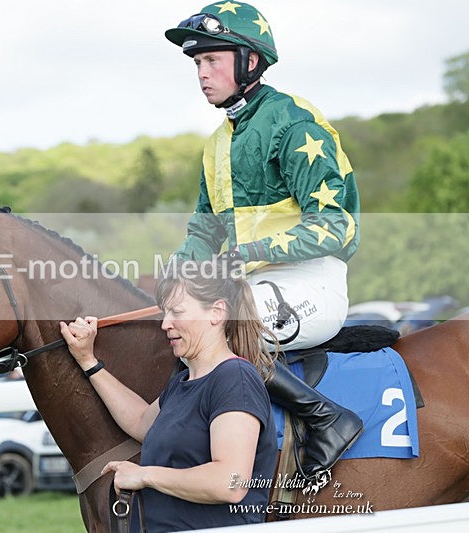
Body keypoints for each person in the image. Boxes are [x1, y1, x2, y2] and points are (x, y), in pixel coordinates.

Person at [164, 2, 363, 480]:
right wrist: (171, 278)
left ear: (250, 61)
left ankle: (327, 418)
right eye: (197, 63)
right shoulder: (217, 143)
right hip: (252, 288)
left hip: (311, 285)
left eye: (212, 60)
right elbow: (203, 231)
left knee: (221, 329)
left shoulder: (294, 124)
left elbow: (337, 226)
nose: (202, 73)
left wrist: (247, 254)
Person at [60, 262, 277, 530]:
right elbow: (140, 421)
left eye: (177, 312)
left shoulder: (234, 378)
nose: (165, 324)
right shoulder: (181, 384)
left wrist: (144, 476)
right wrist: (88, 361)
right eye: (165, 313)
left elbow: (229, 482)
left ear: (217, 312)